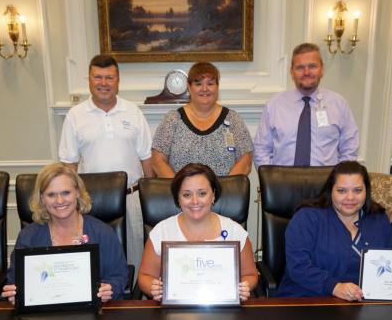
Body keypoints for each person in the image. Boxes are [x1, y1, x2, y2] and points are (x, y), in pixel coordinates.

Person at [58, 54, 153, 274]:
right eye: (97, 77)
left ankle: (135, 303)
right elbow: (69, 166)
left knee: (136, 256)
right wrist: (72, 203)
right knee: (94, 258)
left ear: (118, 80)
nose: (103, 83)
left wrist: (149, 198)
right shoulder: (75, 116)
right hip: (90, 201)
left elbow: (147, 159)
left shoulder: (133, 112)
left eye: (109, 78)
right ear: (89, 80)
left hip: (132, 198)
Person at [1, 163, 129, 304]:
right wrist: (15, 294)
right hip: (44, 317)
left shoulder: (103, 232)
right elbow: (14, 281)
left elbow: (119, 276)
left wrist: (110, 289)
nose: (60, 201)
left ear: (77, 192)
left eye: (66, 193)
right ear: (42, 198)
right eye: (51, 195)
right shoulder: (28, 236)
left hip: (94, 313)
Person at [138, 163, 258, 301]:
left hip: (223, 310)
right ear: (178, 198)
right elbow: (145, 276)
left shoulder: (234, 231)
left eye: (202, 193)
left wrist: (244, 286)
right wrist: (154, 288)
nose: (195, 201)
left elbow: (250, 274)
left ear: (213, 195)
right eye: (186, 194)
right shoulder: (162, 232)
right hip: (174, 312)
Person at [277, 161, 392, 300]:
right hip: (306, 300)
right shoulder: (307, 218)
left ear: (366, 191)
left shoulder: (379, 220)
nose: (350, 197)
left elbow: (390, 263)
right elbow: (298, 266)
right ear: (331, 190)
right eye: (342, 190)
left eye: (357, 190)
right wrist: (334, 287)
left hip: (361, 303)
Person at [254, 43, 359, 168]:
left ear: (322, 70)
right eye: (300, 68)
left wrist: (339, 181)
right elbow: (261, 150)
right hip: (283, 184)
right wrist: (271, 180)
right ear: (291, 72)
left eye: (312, 66)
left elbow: (349, 148)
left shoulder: (339, 105)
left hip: (327, 184)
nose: (306, 72)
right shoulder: (274, 106)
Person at [152, 62, 253, 177]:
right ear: (189, 87)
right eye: (198, 84)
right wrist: (180, 190)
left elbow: (246, 161)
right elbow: (157, 161)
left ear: (217, 87)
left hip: (224, 193)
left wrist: (224, 190)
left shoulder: (233, 119)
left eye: (210, 83)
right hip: (182, 193)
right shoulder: (172, 119)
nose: (205, 89)